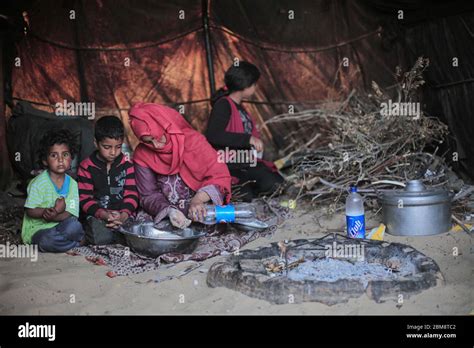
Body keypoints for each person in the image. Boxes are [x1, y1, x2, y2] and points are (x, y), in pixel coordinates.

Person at [129, 102, 231, 228]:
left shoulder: (194, 142)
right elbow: (148, 194)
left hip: (199, 211)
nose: (156, 145)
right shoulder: (142, 153)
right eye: (148, 142)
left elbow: (220, 177)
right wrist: (169, 211)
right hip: (164, 213)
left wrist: (198, 200)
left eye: (158, 137)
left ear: (167, 128)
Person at [205, 61, 284, 201]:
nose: (255, 87)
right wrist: (247, 139)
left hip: (246, 162)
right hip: (229, 165)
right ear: (245, 85)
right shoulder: (223, 105)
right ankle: (245, 191)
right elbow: (213, 135)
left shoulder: (241, 107)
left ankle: (253, 190)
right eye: (254, 84)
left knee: (277, 185)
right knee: (243, 196)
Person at [77, 116, 139, 245]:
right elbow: (84, 199)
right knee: (100, 238)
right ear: (96, 143)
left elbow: (132, 194)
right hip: (98, 216)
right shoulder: (86, 167)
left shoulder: (127, 164)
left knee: (137, 235)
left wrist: (123, 215)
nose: (113, 152)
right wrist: (105, 215)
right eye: (107, 147)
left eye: (118, 147)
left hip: (123, 214)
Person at [22, 129, 84, 252]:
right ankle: (74, 244)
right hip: (38, 230)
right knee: (46, 240)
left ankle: (64, 243)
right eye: (54, 155)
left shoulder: (72, 184)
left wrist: (55, 216)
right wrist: (47, 212)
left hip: (61, 225)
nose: (60, 160)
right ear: (45, 160)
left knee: (75, 225)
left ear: (71, 158)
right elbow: (30, 210)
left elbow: (70, 212)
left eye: (65, 154)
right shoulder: (38, 183)